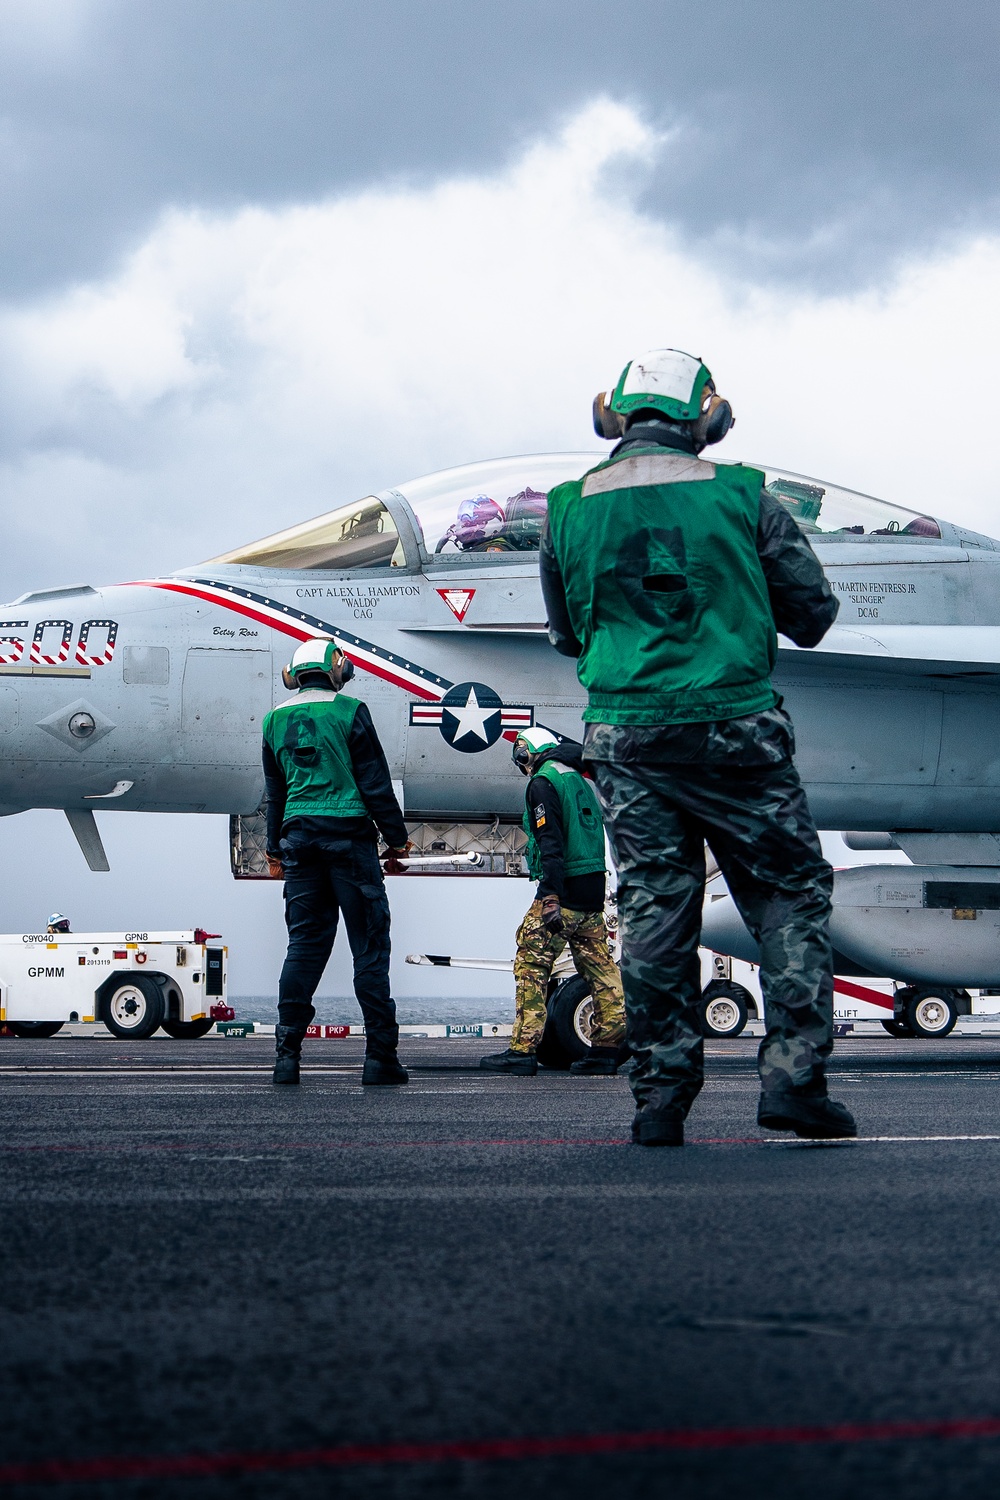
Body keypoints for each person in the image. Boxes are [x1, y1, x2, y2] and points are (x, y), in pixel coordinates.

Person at [540, 346, 856, 1146]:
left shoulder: (568, 506)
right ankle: (793, 1081)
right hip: (738, 736)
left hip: (625, 737)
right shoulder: (747, 496)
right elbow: (813, 615)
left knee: (653, 908)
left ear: (612, 414)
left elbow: (567, 632)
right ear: (706, 416)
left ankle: (659, 1101)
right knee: (787, 896)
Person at [262, 639, 411, 1087]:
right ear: (337, 670)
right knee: (368, 948)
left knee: (304, 947)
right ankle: (380, 1059)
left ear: (293, 674)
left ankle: (286, 1060)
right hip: (349, 841)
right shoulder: (351, 711)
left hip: (298, 841)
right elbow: (374, 783)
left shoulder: (274, 720)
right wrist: (397, 840)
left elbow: (276, 795)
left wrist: (274, 851)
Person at [479, 727, 627, 1076]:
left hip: (564, 891)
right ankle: (607, 1050)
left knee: (531, 964)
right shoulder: (579, 780)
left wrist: (549, 895)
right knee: (602, 972)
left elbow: (550, 841)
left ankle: (522, 1050)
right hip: (592, 891)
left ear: (526, 753)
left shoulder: (543, 782)